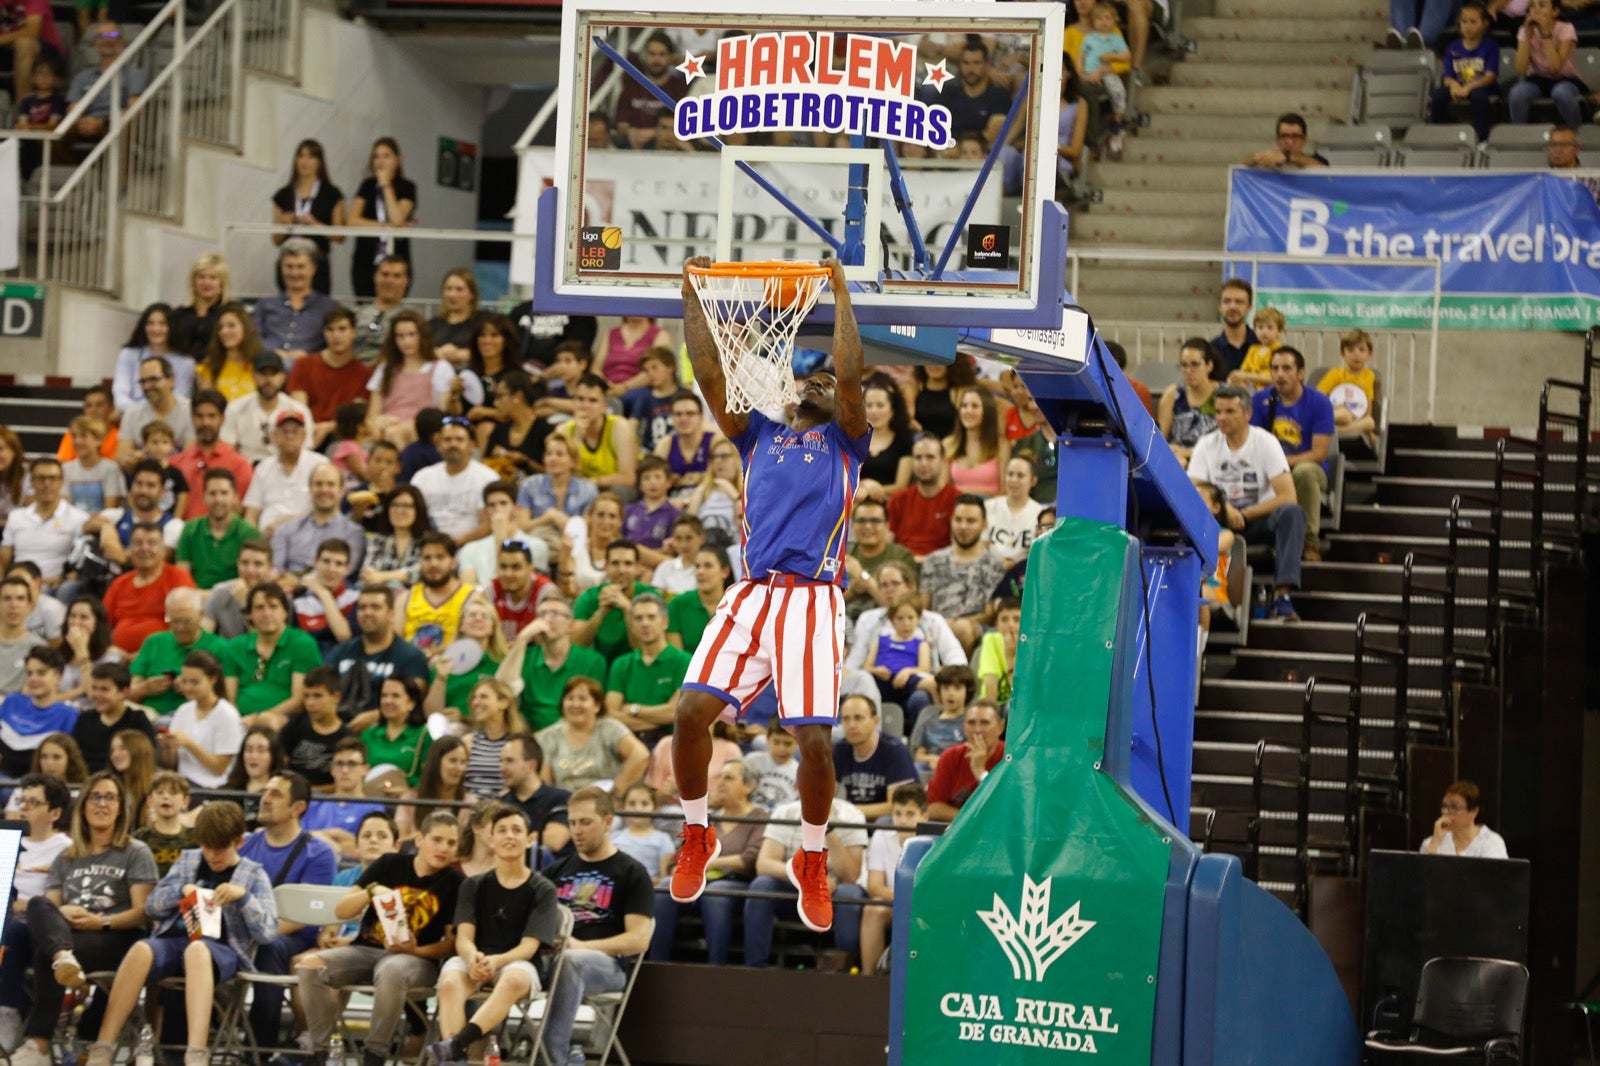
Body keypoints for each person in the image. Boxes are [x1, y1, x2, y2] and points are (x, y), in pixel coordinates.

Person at [668, 257, 869, 937]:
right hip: (752, 591)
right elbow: (708, 373)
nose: (816, 380)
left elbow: (849, 377)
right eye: (805, 377)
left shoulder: (845, 440)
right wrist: (693, 296)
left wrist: (840, 295)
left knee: (812, 737)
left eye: (824, 377)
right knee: (690, 712)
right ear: (786, 395)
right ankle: (697, 834)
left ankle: (812, 855)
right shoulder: (758, 435)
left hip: (813, 598)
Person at [83, 800, 278, 1066]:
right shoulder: (189, 861)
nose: (211, 855)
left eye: (219, 849)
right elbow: (152, 907)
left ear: (238, 843)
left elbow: (268, 933)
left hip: (221, 951)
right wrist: (181, 891)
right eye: (206, 847)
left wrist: (243, 898)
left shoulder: (253, 874)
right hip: (175, 942)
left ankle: (196, 1052)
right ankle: (103, 1046)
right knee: (141, 948)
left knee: (197, 950)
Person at [0, 772, 154, 1066]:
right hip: (71, 936)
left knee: (51, 952)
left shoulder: (135, 851)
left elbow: (142, 912)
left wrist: (102, 923)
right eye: (95, 796)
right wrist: (61, 913)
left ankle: (39, 1045)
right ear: (83, 805)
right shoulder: (68, 857)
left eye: (110, 797)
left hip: (116, 937)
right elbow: (46, 909)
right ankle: (56, 964)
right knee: (37, 909)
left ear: (121, 807)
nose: (102, 804)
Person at [298, 811, 463, 1066]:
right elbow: (341, 911)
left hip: (416, 960)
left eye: (451, 843)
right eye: (437, 840)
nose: (443, 848)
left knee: (392, 969)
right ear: (419, 839)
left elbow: (452, 945)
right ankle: (322, 1053)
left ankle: (374, 1055)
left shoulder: (455, 881)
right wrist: (371, 890)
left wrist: (415, 950)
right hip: (366, 950)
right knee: (310, 965)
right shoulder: (389, 864)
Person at [428, 804, 563, 1066]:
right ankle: (455, 1061)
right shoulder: (472, 884)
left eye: (516, 830)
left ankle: (456, 1044)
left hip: (518, 962)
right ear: (491, 840)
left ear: (529, 839)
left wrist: (496, 961)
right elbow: (464, 937)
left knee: (512, 979)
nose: (509, 836)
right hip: (476, 957)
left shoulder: (543, 888)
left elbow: (529, 946)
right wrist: (472, 957)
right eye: (502, 830)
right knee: (450, 983)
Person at [540, 788, 656, 1066]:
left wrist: (580, 946)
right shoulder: (555, 872)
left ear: (607, 822)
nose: (577, 830)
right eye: (572, 823)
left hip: (606, 966)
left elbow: (639, 940)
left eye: (586, 822)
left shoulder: (631, 872)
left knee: (571, 961)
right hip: (552, 958)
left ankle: (550, 1060)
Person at [239, 772, 340, 1053]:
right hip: (245, 932)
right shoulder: (245, 843)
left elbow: (304, 916)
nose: (265, 799)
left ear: (298, 807)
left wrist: (256, 934)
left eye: (276, 794)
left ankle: (260, 1048)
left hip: (293, 938)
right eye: (265, 792)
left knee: (270, 946)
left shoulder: (317, 853)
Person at [1189, 385, 1304, 621]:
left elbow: (1287, 495)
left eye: (1230, 411)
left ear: (1248, 414)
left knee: (1292, 513)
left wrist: (1246, 514)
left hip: (1256, 520)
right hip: (1219, 521)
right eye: (1218, 412)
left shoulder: (1266, 442)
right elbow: (1192, 488)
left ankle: (1283, 596)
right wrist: (1227, 508)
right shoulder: (1206, 444)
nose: (1221, 418)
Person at [648, 759, 767, 963]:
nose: (720, 783)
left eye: (728, 778)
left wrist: (709, 862)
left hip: (736, 882)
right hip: (696, 879)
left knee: (716, 893)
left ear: (749, 786)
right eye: (719, 777)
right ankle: (655, 963)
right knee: (665, 887)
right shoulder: (706, 817)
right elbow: (681, 853)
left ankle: (715, 966)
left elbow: (750, 859)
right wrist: (676, 867)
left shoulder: (761, 817)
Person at [743, 791, 869, 968]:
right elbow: (764, 864)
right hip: (794, 887)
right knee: (761, 885)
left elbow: (851, 875)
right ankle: (755, 967)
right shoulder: (784, 812)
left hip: (833, 890)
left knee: (850, 892)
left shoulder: (852, 815)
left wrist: (828, 829)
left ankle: (844, 969)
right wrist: (806, 877)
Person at [1252, 347, 1336, 563]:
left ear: (1300, 373)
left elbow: (1319, 453)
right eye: (1275, 369)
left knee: (1304, 472)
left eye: (1287, 368)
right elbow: (1252, 443)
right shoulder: (1261, 400)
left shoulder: (1319, 402)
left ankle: (1309, 542)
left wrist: (1282, 463)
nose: (1280, 374)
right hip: (1270, 468)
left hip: (1310, 468)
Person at [325, 586, 430, 729]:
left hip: (384, 730)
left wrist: (376, 716)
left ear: (391, 614)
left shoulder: (411, 656)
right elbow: (321, 691)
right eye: (362, 608)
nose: (367, 613)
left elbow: (414, 700)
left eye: (375, 607)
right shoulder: (340, 652)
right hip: (338, 728)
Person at [224, 583, 322, 727]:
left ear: (285, 612)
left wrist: (258, 719)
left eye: (273, 606)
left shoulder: (302, 644)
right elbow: (229, 698)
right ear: (249, 615)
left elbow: (299, 700)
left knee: (269, 723)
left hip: (286, 721)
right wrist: (236, 722)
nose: (267, 613)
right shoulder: (235, 646)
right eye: (259, 607)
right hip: (240, 721)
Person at [504, 596, 607, 731]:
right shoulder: (526, 656)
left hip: (574, 732)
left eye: (554, 614)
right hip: (529, 733)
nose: (546, 619)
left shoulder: (592, 660)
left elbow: (594, 709)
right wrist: (522, 638)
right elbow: (502, 691)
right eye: (541, 615)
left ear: (570, 625)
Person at [921, 495, 1007, 652]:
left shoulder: (994, 566)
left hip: (974, 628)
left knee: (962, 628)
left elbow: (989, 615)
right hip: (935, 625)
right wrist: (941, 624)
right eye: (958, 520)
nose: (963, 526)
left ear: (984, 525)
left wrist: (953, 623)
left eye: (971, 521)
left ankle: (959, 675)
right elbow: (923, 607)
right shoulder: (933, 561)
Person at [536, 676, 649, 793]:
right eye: (570, 699)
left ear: (597, 706)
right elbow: (545, 783)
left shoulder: (610, 728)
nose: (575, 704)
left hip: (604, 804)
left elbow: (640, 755)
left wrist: (616, 792)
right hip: (564, 804)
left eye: (582, 699)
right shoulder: (548, 736)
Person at [859, 783, 928, 974]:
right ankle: (868, 979)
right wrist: (903, 898)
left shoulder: (934, 841)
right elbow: (874, 886)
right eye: (898, 813)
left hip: (923, 904)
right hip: (892, 901)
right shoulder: (881, 836)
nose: (903, 820)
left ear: (924, 816)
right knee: (872, 910)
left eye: (909, 814)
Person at [604, 593, 691, 740]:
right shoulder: (621, 664)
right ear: (631, 625)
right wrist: (659, 719)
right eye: (638, 618)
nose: (645, 623)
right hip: (627, 742)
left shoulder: (684, 661)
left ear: (665, 622)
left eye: (651, 617)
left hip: (670, 742)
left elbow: (676, 712)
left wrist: (633, 709)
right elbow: (611, 715)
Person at [103, 521, 195, 655]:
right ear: (129, 550)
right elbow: (102, 626)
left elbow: (185, 626)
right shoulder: (119, 584)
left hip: (163, 655)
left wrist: (143, 655)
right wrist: (113, 650)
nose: (144, 548)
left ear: (163, 550)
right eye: (138, 543)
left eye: (152, 543)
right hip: (118, 657)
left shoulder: (177, 578)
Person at [270, 139, 346, 295]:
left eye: (311, 157)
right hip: (289, 262)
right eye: (301, 156)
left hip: (317, 262)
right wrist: (284, 225)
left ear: (319, 162)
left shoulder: (332, 194)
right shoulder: (283, 195)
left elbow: (340, 236)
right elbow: (276, 240)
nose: (305, 161)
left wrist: (316, 225)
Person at [0, 457, 87, 587]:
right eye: (41, 478)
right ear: (32, 482)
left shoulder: (79, 518)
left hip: (55, 586)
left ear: (61, 482)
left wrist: (63, 579)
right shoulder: (16, 517)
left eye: (53, 478)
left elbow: (79, 563)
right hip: (18, 587)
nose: (47, 484)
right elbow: (3, 558)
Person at [366, 313, 456, 436]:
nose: (406, 341)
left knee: (394, 433)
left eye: (412, 335)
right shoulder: (385, 368)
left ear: (422, 336)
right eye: (400, 336)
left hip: (422, 430)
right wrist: (378, 424)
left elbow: (440, 412)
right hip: (387, 426)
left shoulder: (440, 368)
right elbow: (373, 414)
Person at [349, 137, 417, 299]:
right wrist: (384, 225)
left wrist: (386, 185)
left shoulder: (407, 187)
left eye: (386, 156)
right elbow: (352, 220)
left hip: (397, 257)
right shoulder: (366, 186)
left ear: (398, 160)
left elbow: (397, 218)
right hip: (366, 257)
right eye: (376, 156)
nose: (380, 161)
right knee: (365, 304)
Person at [165, 649, 244, 787]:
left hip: (213, 786)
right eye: (184, 681)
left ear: (212, 679)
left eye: (195, 682)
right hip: (182, 783)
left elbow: (219, 768)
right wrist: (168, 747)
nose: (188, 687)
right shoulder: (183, 710)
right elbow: (172, 763)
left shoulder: (226, 714)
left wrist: (189, 744)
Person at [833, 693, 920, 819]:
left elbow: (897, 806)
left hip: (888, 823)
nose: (851, 725)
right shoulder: (840, 749)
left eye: (858, 718)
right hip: (856, 820)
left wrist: (850, 811)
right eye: (846, 719)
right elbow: (825, 797)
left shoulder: (894, 751)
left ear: (875, 721)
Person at [413, 419, 498, 545]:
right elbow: (413, 518)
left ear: (472, 445)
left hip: (473, 546)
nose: (453, 444)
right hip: (427, 546)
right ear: (438, 446)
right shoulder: (422, 477)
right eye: (447, 440)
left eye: (459, 439)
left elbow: (488, 525)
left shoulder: (487, 478)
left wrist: (452, 544)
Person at [573, 539, 657, 666]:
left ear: (637, 568)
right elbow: (576, 645)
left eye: (628, 564)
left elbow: (646, 651)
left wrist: (628, 608)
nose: (621, 570)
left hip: (636, 667)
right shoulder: (588, 598)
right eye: (615, 563)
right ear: (606, 567)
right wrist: (601, 613)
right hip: (598, 666)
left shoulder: (651, 598)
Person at [62, 22, 145, 149]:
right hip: (86, 122)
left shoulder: (134, 74)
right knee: (53, 132)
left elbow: (135, 110)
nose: (107, 39)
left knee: (123, 130)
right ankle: (78, 168)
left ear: (123, 42)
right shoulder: (82, 76)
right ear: (95, 43)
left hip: (114, 124)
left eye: (112, 34)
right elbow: (73, 107)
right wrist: (83, 122)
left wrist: (103, 121)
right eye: (101, 36)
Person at [172, 391, 254, 520]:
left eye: (211, 416)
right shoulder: (176, 463)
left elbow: (244, 511)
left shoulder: (240, 464)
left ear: (222, 419)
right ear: (192, 419)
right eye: (200, 416)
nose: (205, 422)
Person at [219, 352, 312, 465]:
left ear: (283, 377)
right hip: (247, 468)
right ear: (253, 376)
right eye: (263, 373)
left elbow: (306, 451)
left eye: (273, 374)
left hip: (286, 467)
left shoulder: (299, 410)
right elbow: (227, 450)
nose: (268, 380)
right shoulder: (236, 408)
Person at [274, 463, 366, 577]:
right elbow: (275, 568)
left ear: (342, 491)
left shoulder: (354, 533)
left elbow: (345, 573)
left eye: (330, 484)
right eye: (318, 484)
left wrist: (299, 582)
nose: (324, 490)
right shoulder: (287, 529)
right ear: (310, 489)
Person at [254, 239, 338, 361]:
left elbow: (337, 342)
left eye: (301, 266)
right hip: (269, 366)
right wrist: (272, 352)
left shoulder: (330, 307)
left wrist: (310, 356)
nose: (294, 273)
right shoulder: (264, 305)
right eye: (289, 266)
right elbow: (253, 338)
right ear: (281, 269)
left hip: (311, 368)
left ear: (313, 269)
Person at [1429, 1, 1500, 143]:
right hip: (1459, 85)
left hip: (1482, 86)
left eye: (1473, 22)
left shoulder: (1491, 46)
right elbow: (1448, 77)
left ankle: (1481, 138)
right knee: (1437, 95)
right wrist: (1455, 86)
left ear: (1484, 23)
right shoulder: (1452, 47)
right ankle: (1438, 133)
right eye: (1464, 22)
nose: (1468, 26)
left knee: (1478, 96)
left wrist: (1468, 87)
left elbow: (1490, 76)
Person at [242, 410, 323, 535]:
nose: (290, 436)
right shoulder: (263, 468)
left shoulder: (320, 465)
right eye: (284, 431)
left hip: (308, 535)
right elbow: (251, 515)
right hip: (267, 539)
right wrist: (256, 540)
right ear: (274, 436)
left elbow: (328, 510)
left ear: (304, 436)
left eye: (295, 431)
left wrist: (290, 524)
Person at [175, 470, 258, 591]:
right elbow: (182, 576)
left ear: (235, 497)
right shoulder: (190, 529)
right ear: (204, 497)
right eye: (212, 494)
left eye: (224, 493)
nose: (218, 499)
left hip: (234, 598)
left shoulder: (249, 533)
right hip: (196, 599)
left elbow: (252, 579)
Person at [0, 646, 76, 777]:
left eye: (41, 673)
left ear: (58, 677)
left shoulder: (68, 714)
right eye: (29, 673)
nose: (33, 679)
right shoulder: (12, 701)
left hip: (38, 781)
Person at [558, 374, 641, 493]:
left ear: (604, 406)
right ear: (573, 402)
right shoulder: (564, 430)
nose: (585, 406)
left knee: (620, 491)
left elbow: (628, 478)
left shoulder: (620, 427)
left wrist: (591, 483)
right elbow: (560, 477)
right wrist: (577, 438)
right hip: (580, 492)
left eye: (593, 401)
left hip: (613, 491)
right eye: (580, 399)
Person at [927, 700, 1006, 821]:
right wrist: (971, 822)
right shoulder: (950, 756)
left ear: (1000, 727)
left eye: (985, 723)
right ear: (964, 728)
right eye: (971, 723)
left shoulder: (1010, 758)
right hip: (955, 832)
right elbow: (934, 808)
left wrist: (980, 772)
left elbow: (1004, 808)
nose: (977, 730)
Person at [1509, 0, 1585, 127]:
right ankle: (1520, 134)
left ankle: (1575, 132)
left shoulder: (1566, 28)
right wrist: (1527, 36)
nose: (1536, 10)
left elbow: (1556, 67)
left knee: (1561, 93)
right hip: (1537, 78)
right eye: (1532, 6)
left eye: (1542, 5)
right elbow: (1520, 70)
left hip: (1565, 79)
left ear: (1555, 12)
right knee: (1517, 93)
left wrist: (1545, 35)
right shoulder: (1524, 30)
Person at [498, 735, 572, 859]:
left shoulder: (561, 798)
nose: (502, 768)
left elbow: (555, 840)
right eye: (501, 761)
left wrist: (507, 838)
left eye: (510, 761)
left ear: (531, 765)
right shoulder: (499, 804)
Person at [888, 435, 959, 560]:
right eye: (918, 458)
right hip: (901, 567)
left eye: (930, 457)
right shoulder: (898, 500)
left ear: (943, 461)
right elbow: (887, 545)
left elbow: (959, 551)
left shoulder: (958, 500)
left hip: (940, 566)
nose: (923, 463)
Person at [280, 666, 352, 786]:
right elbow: (280, 766)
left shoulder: (346, 737)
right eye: (306, 696)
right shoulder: (295, 725)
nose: (310, 703)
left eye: (317, 696)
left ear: (336, 697)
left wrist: (310, 792)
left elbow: (342, 783)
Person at [1157, 339, 1221, 468]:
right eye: (1184, 365)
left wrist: (1189, 452)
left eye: (1195, 364)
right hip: (1178, 460)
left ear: (1209, 365)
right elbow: (1159, 440)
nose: (1188, 370)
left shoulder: (1224, 394)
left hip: (1214, 459)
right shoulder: (1172, 394)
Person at [1079, 2, 1132, 157]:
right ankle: (1090, 140)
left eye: (1108, 18)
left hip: (1106, 73)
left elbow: (1127, 56)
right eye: (1099, 18)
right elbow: (1081, 55)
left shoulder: (1115, 38)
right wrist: (1080, 70)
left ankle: (1117, 121)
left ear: (1114, 20)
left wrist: (1111, 56)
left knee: (1118, 91)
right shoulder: (1089, 38)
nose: (1103, 22)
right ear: (1093, 22)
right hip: (1088, 74)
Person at [362, 676, 432, 787]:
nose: (388, 701)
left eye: (396, 696)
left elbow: (430, 779)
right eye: (384, 695)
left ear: (412, 703)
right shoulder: (368, 735)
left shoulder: (424, 735)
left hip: (408, 801)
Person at [202, 537, 275, 639]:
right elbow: (203, 638)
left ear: (270, 567)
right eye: (245, 563)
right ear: (238, 564)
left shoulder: (280, 598)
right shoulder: (220, 592)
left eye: (258, 564)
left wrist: (246, 605)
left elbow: (265, 643)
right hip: (227, 652)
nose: (250, 570)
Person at [909, 664, 977, 772]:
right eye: (945, 688)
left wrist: (944, 761)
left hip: (959, 769)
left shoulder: (973, 722)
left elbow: (974, 753)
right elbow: (918, 756)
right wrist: (931, 759)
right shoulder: (929, 721)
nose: (950, 694)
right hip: (931, 768)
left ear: (967, 691)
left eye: (957, 688)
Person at [1318, 328, 1380, 442]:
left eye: (1361, 350)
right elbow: (1317, 397)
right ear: (1342, 353)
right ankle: (1332, 429)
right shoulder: (1336, 374)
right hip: (1338, 414)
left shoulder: (1369, 376)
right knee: (1344, 416)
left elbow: (1368, 402)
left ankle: (1333, 432)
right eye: (1350, 350)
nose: (1356, 355)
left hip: (1357, 419)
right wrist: (1334, 407)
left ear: (1369, 354)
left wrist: (1369, 432)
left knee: (1370, 422)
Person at [944, 388, 1009, 497]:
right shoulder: (948, 444)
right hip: (957, 508)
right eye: (964, 406)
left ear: (987, 411)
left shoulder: (1001, 445)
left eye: (974, 406)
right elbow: (943, 490)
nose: (968, 411)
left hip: (990, 508)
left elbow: (1005, 492)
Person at [196, 303, 265, 403]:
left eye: (231, 326)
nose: (224, 331)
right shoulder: (207, 367)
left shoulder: (260, 364)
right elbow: (207, 407)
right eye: (220, 327)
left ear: (246, 328)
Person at [1421, 780, 1509, 858]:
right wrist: (1435, 841)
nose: (1445, 812)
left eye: (1454, 807)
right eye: (1444, 806)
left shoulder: (1491, 842)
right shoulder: (1430, 842)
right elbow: (1424, 873)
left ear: (1474, 811)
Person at [984, 457, 1044, 566]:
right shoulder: (988, 506)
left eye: (1020, 475)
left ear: (1033, 481)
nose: (1014, 480)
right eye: (1010, 474)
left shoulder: (1041, 514)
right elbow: (981, 546)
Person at [171, 253, 230, 363]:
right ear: (193, 281)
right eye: (201, 277)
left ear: (222, 283)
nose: (206, 282)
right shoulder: (178, 315)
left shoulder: (231, 312)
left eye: (213, 278)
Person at [135, 772, 195, 875]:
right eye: (160, 792)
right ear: (150, 801)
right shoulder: (139, 839)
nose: (166, 797)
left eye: (173, 793)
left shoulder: (196, 839)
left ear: (185, 802)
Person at [622, 348, 681, 453]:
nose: (650, 374)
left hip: (679, 451)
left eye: (655, 368)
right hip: (650, 452)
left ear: (670, 367)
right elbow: (630, 427)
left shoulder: (684, 395)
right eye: (647, 370)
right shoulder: (645, 397)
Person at [61, 418, 125, 512]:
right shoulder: (66, 469)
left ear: (99, 440)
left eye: (84, 436)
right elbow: (65, 507)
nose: (77, 441)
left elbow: (111, 508)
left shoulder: (111, 469)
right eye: (74, 436)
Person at [428, 267, 483, 370]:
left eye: (459, 289)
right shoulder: (432, 324)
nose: (452, 295)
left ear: (472, 294)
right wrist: (437, 353)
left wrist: (461, 355)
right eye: (448, 289)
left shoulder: (482, 322)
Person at [0, 576, 44, 694]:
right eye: (7, 598)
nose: (13, 605)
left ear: (30, 606)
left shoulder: (38, 648)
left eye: (20, 599)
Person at [1241, 112, 1329, 170]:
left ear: (1304, 140)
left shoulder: (1317, 160)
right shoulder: (1272, 162)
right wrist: (1258, 158)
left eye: (1295, 136)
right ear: (1277, 140)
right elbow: (1245, 163)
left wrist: (1286, 158)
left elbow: (1322, 169)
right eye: (1284, 136)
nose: (1290, 142)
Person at [1210, 279, 1258, 379]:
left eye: (1239, 302)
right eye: (1227, 301)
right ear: (1220, 307)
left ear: (1249, 307)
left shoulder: (1264, 345)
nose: (1232, 307)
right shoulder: (1210, 350)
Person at [1229, 306, 1284, 391]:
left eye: (1269, 328)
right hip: (1252, 387)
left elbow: (1275, 379)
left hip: (1271, 391)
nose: (1264, 332)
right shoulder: (1253, 349)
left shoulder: (1280, 351)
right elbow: (1243, 370)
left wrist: (1248, 376)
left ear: (1279, 331)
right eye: (1260, 327)